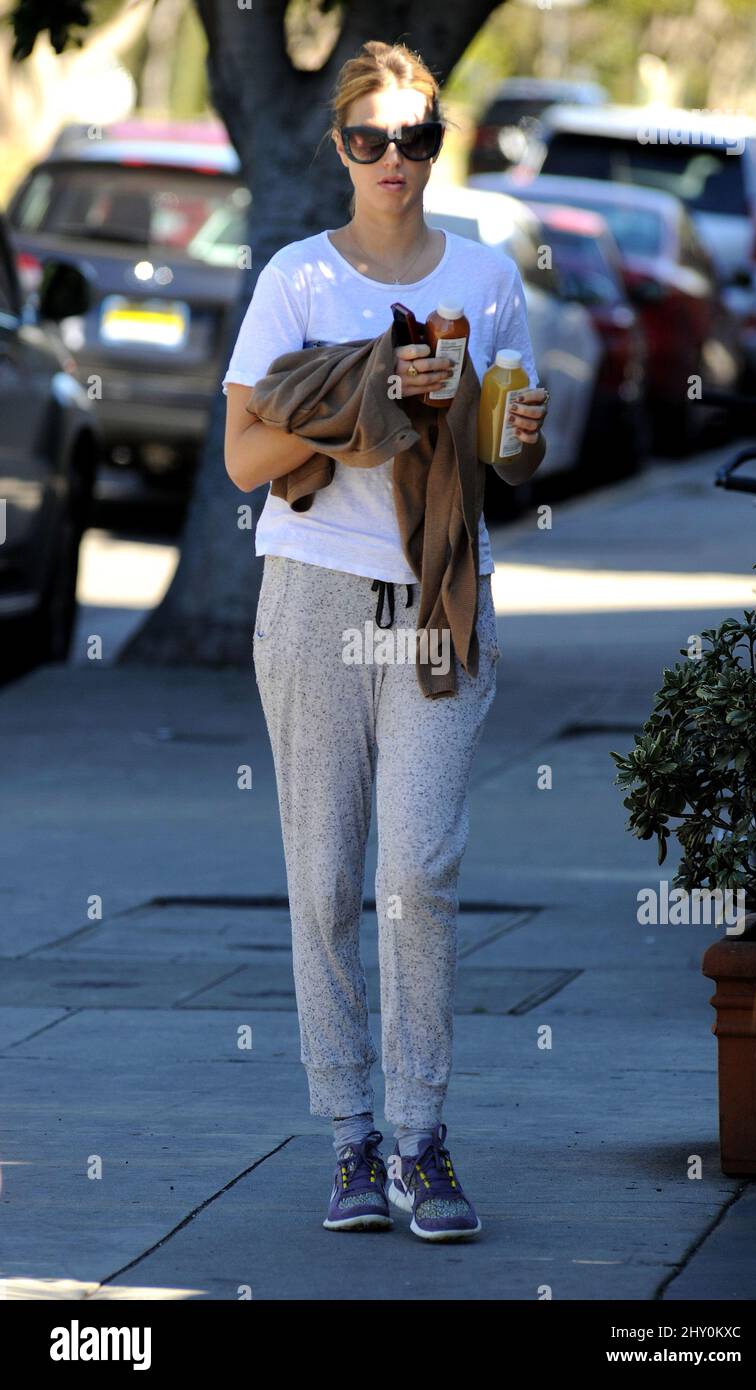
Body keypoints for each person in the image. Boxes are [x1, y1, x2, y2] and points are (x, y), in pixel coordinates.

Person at [223, 38, 549, 1242]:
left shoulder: (485, 275)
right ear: (340, 147)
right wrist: (363, 413)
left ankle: (420, 1136)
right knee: (323, 883)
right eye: (371, 140)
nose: (393, 160)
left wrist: (503, 424)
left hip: (436, 600)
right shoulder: (295, 282)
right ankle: (349, 1134)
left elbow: (509, 464)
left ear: (436, 146)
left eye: (415, 138)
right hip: (312, 598)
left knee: (415, 874)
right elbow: (244, 459)